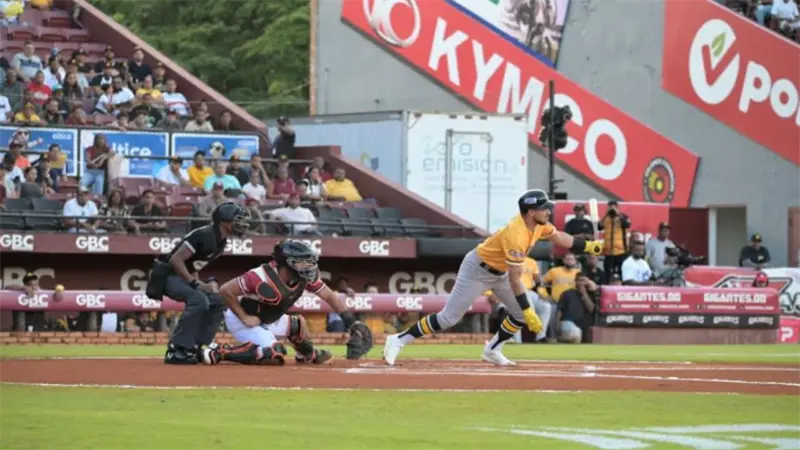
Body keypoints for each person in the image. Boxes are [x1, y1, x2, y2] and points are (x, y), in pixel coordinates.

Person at [383, 189, 603, 367]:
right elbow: (516, 281)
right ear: (530, 212)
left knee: (518, 314)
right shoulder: (516, 234)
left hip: (501, 272)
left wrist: (588, 246)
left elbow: (559, 236)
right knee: (448, 318)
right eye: (543, 208)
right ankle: (398, 340)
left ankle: (493, 350)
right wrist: (528, 309)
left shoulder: (539, 225)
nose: (548, 211)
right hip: (477, 271)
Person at [202, 240, 374, 366]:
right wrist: (244, 317)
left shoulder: (304, 277)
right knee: (273, 353)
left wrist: (351, 322)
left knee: (297, 324)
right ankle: (222, 352)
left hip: (266, 318)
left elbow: (329, 296)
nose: (307, 265)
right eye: (302, 261)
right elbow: (225, 290)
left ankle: (307, 355)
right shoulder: (259, 277)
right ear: (288, 263)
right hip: (243, 320)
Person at [146, 202, 251, 365]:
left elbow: (193, 266)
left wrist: (201, 284)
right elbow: (176, 259)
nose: (242, 224)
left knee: (218, 300)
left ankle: (195, 346)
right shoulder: (206, 235)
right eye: (237, 220)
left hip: (181, 276)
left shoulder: (220, 241)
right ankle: (177, 349)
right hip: (166, 275)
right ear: (225, 221)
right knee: (199, 300)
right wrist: (195, 284)